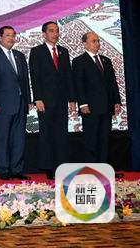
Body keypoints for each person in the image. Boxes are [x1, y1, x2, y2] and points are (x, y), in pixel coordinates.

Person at [29, 21, 76, 179]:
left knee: (61, 134)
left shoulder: (63, 51)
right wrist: (38, 98)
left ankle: (61, 166)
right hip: (45, 101)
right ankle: (48, 167)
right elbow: (35, 76)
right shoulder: (37, 51)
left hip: (62, 100)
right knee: (47, 134)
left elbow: (68, 76)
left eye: (57, 31)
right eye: (51, 31)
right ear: (44, 34)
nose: (55, 34)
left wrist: (72, 99)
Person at [0, 26, 32, 180]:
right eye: (7, 35)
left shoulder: (19, 55)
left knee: (19, 138)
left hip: (21, 103)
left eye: (13, 35)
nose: (11, 38)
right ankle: (3, 169)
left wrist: (28, 100)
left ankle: (17, 169)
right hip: (2, 104)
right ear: (0, 38)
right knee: (3, 138)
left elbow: (25, 80)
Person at [72, 31, 122, 163]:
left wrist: (116, 101)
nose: (97, 43)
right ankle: (92, 167)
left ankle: (103, 166)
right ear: (85, 43)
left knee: (104, 139)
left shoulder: (106, 60)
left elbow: (112, 82)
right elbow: (78, 83)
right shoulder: (79, 61)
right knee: (91, 139)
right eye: (94, 41)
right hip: (90, 107)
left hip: (106, 106)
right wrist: (82, 104)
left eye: (98, 41)